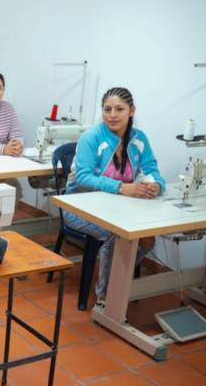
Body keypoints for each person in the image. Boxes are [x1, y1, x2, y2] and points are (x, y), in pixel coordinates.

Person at [64, 87, 165, 308]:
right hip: (79, 207)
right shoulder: (92, 137)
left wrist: (157, 185)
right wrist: (121, 187)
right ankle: (106, 297)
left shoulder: (139, 139)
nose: (112, 115)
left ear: (132, 111)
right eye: (107, 109)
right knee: (117, 234)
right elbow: (83, 178)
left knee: (148, 239)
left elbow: (151, 169)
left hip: (117, 207)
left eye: (119, 109)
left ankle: (118, 279)